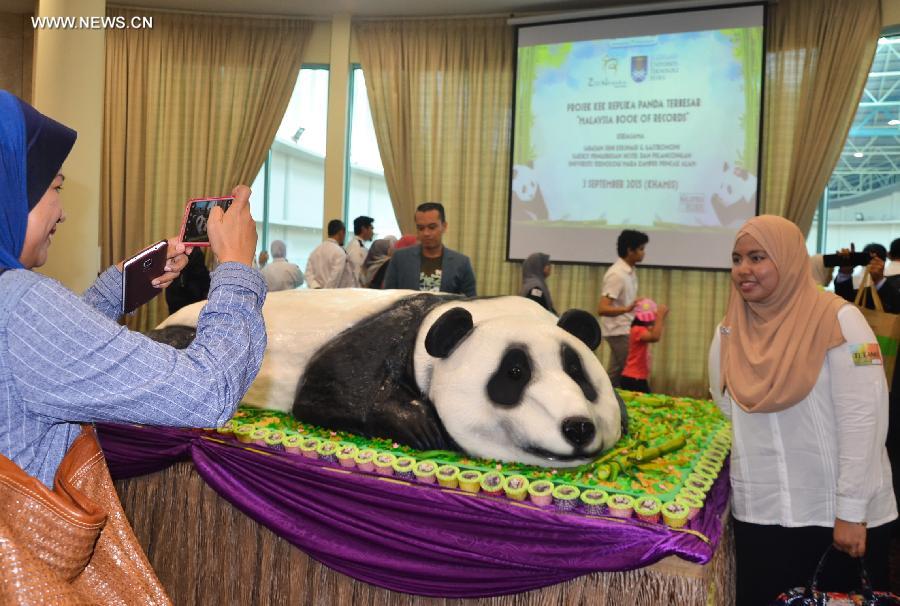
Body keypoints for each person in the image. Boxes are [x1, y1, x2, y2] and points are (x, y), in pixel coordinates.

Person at [0, 90, 267, 490]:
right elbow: (209, 390)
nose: (62, 210)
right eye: (55, 187)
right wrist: (236, 266)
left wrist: (127, 284)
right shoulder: (19, 302)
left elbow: (43, 355)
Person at [708, 215, 896, 605]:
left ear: (790, 259)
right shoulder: (730, 328)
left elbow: (866, 418)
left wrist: (850, 511)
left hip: (832, 516)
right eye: (737, 258)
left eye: (758, 257)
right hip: (762, 512)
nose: (744, 270)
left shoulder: (842, 319)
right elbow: (726, 405)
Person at [383, 202, 476, 296]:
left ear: (444, 226)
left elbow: (470, 301)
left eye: (432, 227)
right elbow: (389, 297)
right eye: (421, 228)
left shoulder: (461, 263)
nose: (426, 233)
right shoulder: (400, 258)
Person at [597, 229, 647, 387]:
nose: (643, 253)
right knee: (631, 371)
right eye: (640, 249)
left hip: (625, 329)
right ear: (629, 250)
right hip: (618, 330)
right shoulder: (616, 274)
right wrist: (626, 309)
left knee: (615, 372)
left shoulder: (630, 272)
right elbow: (602, 308)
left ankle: (601, 399)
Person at [833, 242, 900, 313]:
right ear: (887, 257)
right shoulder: (858, 280)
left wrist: (879, 281)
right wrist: (845, 272)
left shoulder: (888, 283)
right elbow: (844, 302)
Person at [619, 299, 667, 393]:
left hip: (636, 378)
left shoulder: (641, 329)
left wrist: (660, 317)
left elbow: (655, 330)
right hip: (633, 378)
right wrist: (660, 316)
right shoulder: (637, 330)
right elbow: (655, 337)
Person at [305, 219, 357, 288]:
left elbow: (308, 274)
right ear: (341, 233)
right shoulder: (339, 252)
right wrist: (326, 292)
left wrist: (316, 288)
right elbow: (334, 278)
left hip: (318, 295)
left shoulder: (315, 251)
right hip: (335, 295)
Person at [165, 247, 211, 314]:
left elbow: (201, 273)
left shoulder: (193, 251)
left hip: (187, 295)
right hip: (182, 295)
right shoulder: (178, 249)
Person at [346, 215, 374, 282]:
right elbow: (357, 272)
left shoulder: (357, 245)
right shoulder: (356, 247)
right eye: (371, 228)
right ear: (364, 229)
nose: (373, 232)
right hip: (356, 289)